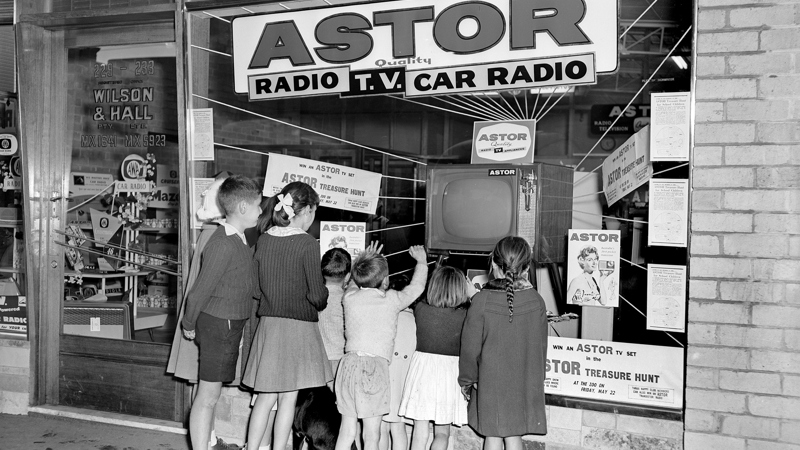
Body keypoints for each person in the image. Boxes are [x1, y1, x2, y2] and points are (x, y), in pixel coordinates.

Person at [243, 181, 332, 450]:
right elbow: (317, 296)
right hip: (298, 330)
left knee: (264, 399)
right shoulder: (307, 243)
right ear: (306, 210)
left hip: (270, 328)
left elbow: (255, 290)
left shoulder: (264, 239)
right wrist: (323, 293)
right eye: (314, 212)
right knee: (288, 399)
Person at [180, 175, 263, 450]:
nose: (260, 211)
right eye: (258, 206)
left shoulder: (238, 239)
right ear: (243, 207)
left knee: (211, 395)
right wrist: (188, 323)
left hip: (227, 325)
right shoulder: (222, 243)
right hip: (218, 325)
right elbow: (199, 291)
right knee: (207, 397)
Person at [334, 244, 429, 450]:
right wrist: (422, 262)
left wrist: (362, 261)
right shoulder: (391, 300)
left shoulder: (349, 297)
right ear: (385, 281)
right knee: (371, 435)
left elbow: (352, 283)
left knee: (346, 431)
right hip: (374, 369)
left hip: (348, 365)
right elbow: (416, 288)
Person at [459, 236, 548, 450]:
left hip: (489, 381)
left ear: (493, 263)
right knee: (514, 435)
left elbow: (470, 349)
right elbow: (540, 349)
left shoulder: (481, 300)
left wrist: (468, 380)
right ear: (527, 267)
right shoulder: (537, 301)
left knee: (492, 435)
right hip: (523, 380)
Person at [400, 266, 474, 450]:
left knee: (420, 431)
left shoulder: (421, 309)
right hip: (450, 374)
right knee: (442, 433)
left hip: (423, 371)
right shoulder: (466, 315)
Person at [380, 275, 416, 450]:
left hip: (385, 378)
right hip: (404, 381)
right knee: (398, 427)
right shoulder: (416, 320)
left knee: (381, 427)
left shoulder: (388, 317)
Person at [319, 247, 352, 390]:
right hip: (339, 361)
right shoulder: (347, 300)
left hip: (316, 361)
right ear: (347, 276)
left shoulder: (314, 297)